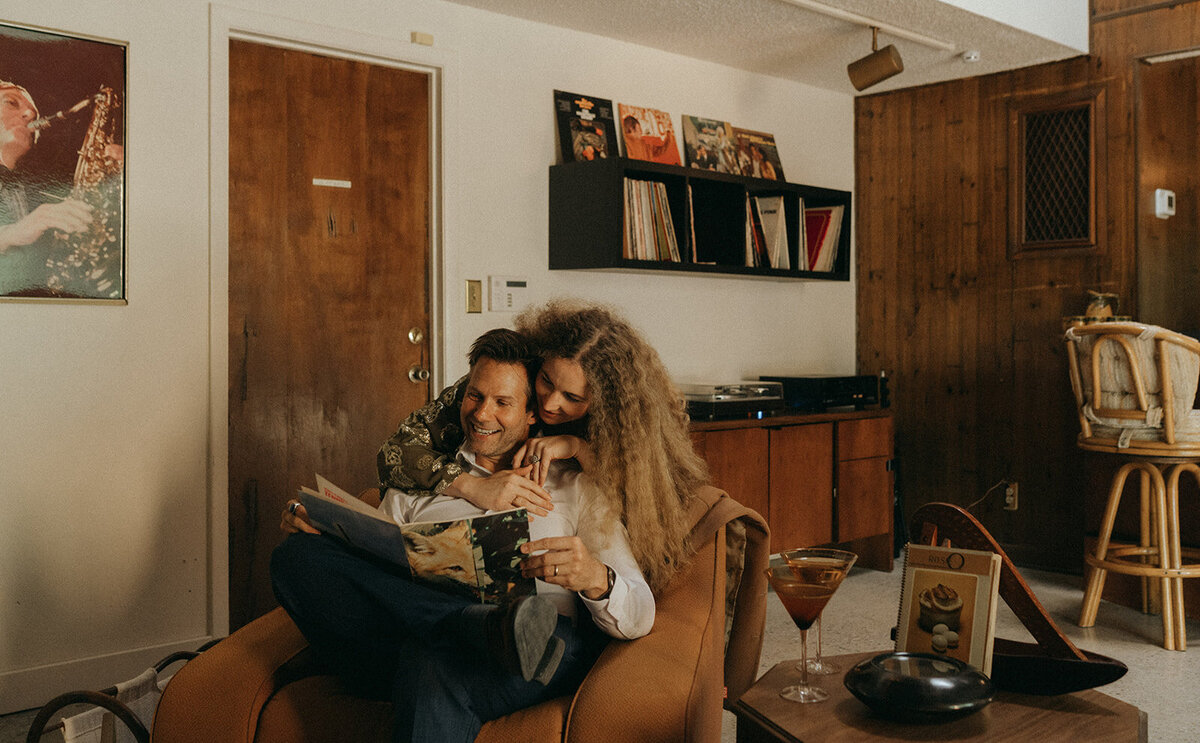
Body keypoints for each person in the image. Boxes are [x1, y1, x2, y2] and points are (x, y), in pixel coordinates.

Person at [272, 328, 654, 742]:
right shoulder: (420, 483)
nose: (482, 414)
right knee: (296, 557)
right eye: (475, 396)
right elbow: (372, 579)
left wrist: (596, 578)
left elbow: (641, 611)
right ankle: (474, 625)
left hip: (540, 648)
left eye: (503, 402)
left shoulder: (574, 488)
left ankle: (486, 629)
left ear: (532, 414)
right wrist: (324, 531)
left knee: (428, 661)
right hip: (417, 635)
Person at [374, 297, 708, 594]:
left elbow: (630, 495)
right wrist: (473, 487)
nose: (550, 402)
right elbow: (397, 449)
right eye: (546, 380)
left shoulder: (621, 429)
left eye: (573, 397)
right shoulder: (496, 383)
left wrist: (576, 445)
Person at [0, 80, 93, 279]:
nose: (30, 115)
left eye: (34, 113)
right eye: (11, 103)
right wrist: (11, 234)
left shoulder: (30, 188)